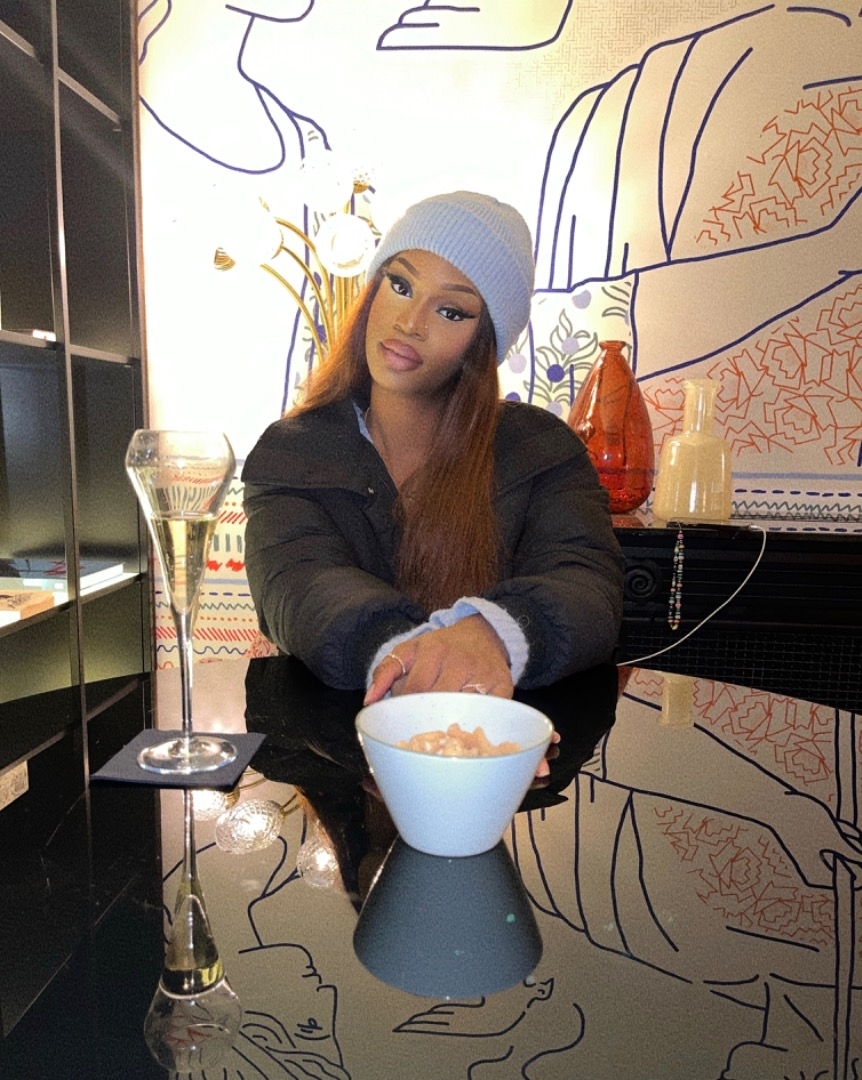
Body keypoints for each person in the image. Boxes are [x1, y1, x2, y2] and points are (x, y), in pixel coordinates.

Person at [242, 190, 624, 708]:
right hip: (334, 747)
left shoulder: (543, 450)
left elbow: (589, 585)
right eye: (400, 285)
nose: (410, 321)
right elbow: (300, 585)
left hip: (495, 742)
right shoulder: (293, 451)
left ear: (484, 342)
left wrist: (491, 633)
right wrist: (408, 653)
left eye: (450, 310)